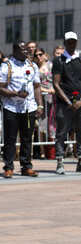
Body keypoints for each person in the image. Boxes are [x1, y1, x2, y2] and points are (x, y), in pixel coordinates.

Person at [0, 42, 43, 178]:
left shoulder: (32, 65)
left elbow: (37, 87)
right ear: (15, 51)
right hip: (11, 108)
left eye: (27, 50)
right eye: (23, 50)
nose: (26, 52)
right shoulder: (6, 66)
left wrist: (40, 105)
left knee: (26, 138)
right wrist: (16, 94)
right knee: (10, 139)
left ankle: (26, 166)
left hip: (28, 107)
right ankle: (8, 167)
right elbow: (1, 87)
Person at [52, 31, 81, 175]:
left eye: (73, 41)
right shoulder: (58, 61)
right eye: (69, 41)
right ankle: (60, 162)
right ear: (64, 43)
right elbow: (56, 84)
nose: (71, 44)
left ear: (76, 42)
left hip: (80, 103)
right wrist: (68, 101)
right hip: (64, 103)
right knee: (61, 133)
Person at [34, 47, 54, 159]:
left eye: (40, 54)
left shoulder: (51, 65)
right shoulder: (35, 68)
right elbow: (35, 85)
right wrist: (47, 90)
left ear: (44, 54)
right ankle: (42, 151)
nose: (38, 57)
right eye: (36, 55)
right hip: (41, 98)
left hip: (52, 99)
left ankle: (51, 151)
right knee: (41, 125)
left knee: (51, 125)